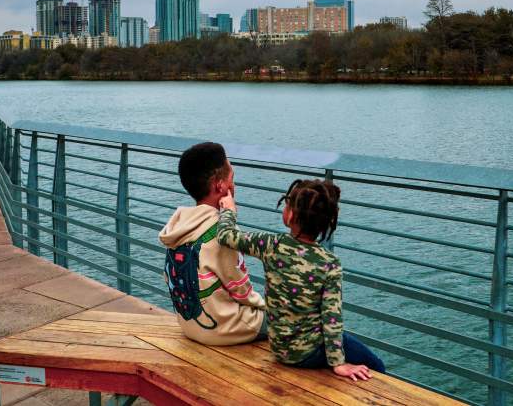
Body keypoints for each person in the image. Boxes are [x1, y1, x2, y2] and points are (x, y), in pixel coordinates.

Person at [216, 179, 385, 381]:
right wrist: (338, 363)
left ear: (291, 216)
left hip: (280, 349)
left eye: (287, 203)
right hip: (309, 354)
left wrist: (228, 210)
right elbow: (332, 319)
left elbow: (226, 235)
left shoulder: (271, 245)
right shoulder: (329, 263)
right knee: (376, 366)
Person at [159, 142, 266, 345]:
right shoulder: (221, 233)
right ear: (220, 185)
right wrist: (266, 307)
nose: (234, 186)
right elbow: (242, 292)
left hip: (191, 325)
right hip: (225, 328)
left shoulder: (179, 226)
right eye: (231, 179)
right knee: (297, 322)